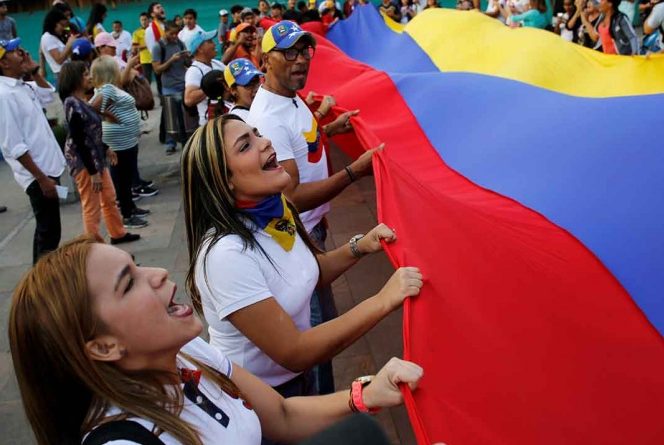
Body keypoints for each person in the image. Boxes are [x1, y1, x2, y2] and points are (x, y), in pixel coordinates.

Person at [9, 234, 423, 445]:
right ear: (102, 346)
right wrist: (381, 300)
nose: (158, 274)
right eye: (128, 283)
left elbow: (280, 413)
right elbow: (293, 354)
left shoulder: (185, 351)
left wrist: (365, 394)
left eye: (137, 264)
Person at [182, 114, 423, 406]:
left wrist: (360, 246)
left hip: (297, 383)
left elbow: (308, 273)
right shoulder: (226, 256)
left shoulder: (275, 209)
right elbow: (294, 351)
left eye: (257, 134)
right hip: (256, 401)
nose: (265, 142)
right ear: (225, 181)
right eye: (245, 146)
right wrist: (383, 300)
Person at [247, 21, 382, 395]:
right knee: (317, 336)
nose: (301, 60)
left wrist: (331, 129)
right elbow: (290, 195)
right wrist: (354, 172)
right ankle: (318, 412)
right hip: (297, 238)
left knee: (325, 324)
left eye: (305, 51)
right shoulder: (268, 118)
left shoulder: (291, 98)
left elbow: (302, 140)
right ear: (265, 60)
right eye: (289, 52)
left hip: (310, 231)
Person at [59, 61, 141, 245]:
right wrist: (93, 172)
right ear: (75, 79)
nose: (90, 77)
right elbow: (80, 140)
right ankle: (94, 243)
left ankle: (117, 233)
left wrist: (105, 148)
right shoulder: (72, 104)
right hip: (85, 163)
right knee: (92, 205)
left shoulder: (81, 101)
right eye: (85, 74)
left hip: (97, 159)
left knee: (109, 198)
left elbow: (91, 132)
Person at [0, 38, 66, 264]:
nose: (22, 53)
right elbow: (14, 146)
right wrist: (42, 179)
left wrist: (34, 70)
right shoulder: (4, 95)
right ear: (4, 63)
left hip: (48, 169)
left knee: (48, 231)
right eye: (15, 51)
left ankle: (41, 276)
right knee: (48, 233)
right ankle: (41, 279)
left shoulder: (22, 86)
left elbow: (48, 94)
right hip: (38, 175)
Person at [90, 55, 151, 230]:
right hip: (118, 140)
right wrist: (110, 116)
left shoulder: (109, 88)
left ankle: (130, 207)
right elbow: (91, 108)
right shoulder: (107, 89)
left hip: (125, 138)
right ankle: (126, 214)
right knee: (122, 178)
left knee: (126, 175)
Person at [152, 20, 189, 154]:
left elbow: (187, 63)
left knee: (184, 118)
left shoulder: (180, 43)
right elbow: (157, 69)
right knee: (170, 117)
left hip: (183, 84)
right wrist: (171, 60)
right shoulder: (158, 47)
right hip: (169, 87)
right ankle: (170, 143)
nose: (174, 36)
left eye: (176, 33)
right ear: (165, 31)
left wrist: (187, 57)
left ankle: (186, 141)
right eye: (171, 33)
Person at [183, 29, 225, 127]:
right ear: (200, 48)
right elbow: (188, 99)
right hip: (209, 124)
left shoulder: (216, 63)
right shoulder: (194, 70)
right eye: (210, 42)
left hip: (224, 118)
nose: (214, 44)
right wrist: (211, 87)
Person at [40, 7, 75, 86]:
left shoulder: (54, 37)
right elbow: (59, 60)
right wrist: (69, 44)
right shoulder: (48, 37)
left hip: (67, 72)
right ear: (54, 23)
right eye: (61, 25)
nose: (63, 28)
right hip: (62, 75)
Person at [145, 2, 167, 94]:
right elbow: (152, 50)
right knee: (164, 92)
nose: (161, 8)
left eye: (161, 7)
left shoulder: (167, 26)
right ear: (152, 14)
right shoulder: (150, 30)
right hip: (161, 64)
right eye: (158, 8)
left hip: (172, 63)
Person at [132, 12, 154, 85]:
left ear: (149, 20)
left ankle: (161, 92)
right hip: (145, 59)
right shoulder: (136, 32)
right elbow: (135, 47)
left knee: (159, 78)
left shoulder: (154, 30)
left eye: (145, 19)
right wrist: (148, 45)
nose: (144, 22)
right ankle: (148, 92)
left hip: (156, 57)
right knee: (147, 80)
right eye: (142, 20)